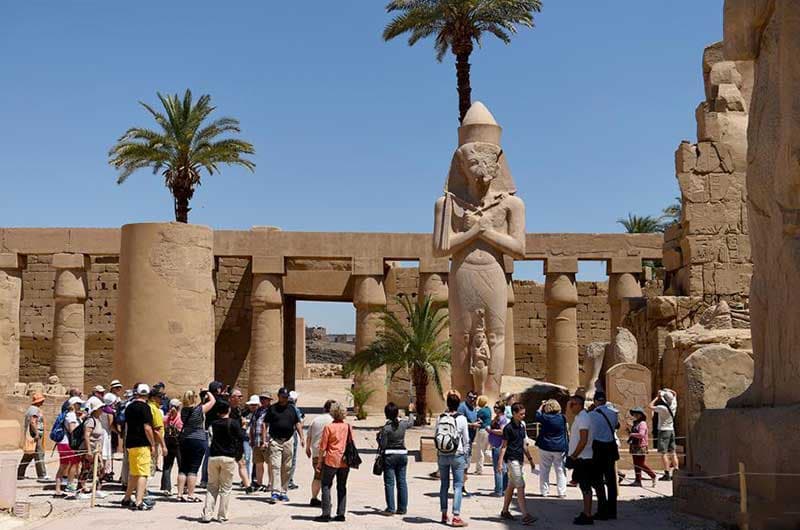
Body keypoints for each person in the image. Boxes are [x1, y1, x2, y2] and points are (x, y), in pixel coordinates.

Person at [201, 401, 244, 523]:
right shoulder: (233, 423)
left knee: (211, 487)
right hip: (228, 457)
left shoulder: (213, 424)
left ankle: (207, 514)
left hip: (214, 456)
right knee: (225, 488)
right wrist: (239, 455)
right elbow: (240, 438)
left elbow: (210, 439)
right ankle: (222, 515)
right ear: (228, 410)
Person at [497, 403, 537, 525]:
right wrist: (499, 462)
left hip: (519, 459)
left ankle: (505, 511)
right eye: (521, 414)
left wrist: (530, 459)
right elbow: (504, 446)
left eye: (524, 414)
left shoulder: (522, 426)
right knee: (520, 485)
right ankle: (525, 515)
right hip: (511, 459)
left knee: (511, 486)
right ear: (514, 414)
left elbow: (524, 444)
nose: (523, 416)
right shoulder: (508, 428)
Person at [436, 390, 470, 527]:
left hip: (442, 454)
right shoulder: (462, 419)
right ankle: (456, 516)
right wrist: (466, 457)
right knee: (458, 485)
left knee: (444, 485)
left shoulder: (440, 417)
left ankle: (444, 514)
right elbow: (466, 440)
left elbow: (436, 436)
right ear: (458, 404)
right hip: (457, 454)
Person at [314, 401, 351, 523]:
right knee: (342, 486)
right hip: (344, 460)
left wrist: (319, 462)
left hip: (331, 459)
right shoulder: (348, 427)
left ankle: (326, 513)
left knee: (326, 484)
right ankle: (341, 513)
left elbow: (323, 447)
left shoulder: (329, 427)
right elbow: (351, 443)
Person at [265, 387, 304, 502]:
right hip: (275, 440)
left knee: (287, 466)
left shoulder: (292, 409)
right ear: (278, 396)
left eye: (286, 397)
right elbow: (265, 424)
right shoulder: (272, 409)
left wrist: (302, 437)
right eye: (283, 397)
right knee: (275, 466)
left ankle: (283, 491)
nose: (285, 399)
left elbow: (297, 423)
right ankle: (275, 492)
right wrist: (264, 439)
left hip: (288, 440)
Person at [121, 384, 156, 511]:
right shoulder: (145, 407)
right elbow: (147, 427)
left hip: (131, 443)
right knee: (143, 473)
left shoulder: (129, 407)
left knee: (134, 473)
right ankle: (139, 501)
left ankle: (126, 498)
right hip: (142, 444)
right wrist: (152, 444)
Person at [178, 389, 216, 502]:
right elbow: (213, 401)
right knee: (193, 469)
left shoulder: (183, 410)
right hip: (198, 439)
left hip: (185, 439)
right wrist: (207, 392)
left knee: (183, 468)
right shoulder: (199, 410)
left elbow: (194, 408)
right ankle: (190, 494)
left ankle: (179, 494)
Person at [379, 402, 415, 516]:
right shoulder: (403, 425)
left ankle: (391, 508)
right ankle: (402, 508)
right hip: (402, 454)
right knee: (402, 482)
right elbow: (411, 422)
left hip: (390, 456)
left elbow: (383, 445)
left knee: (389, 483)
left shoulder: (386, 428)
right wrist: (410, 411)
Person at [566, 395, 596, 526]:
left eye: (572, 404)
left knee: (586, 486)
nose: (570, 407)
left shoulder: (583, 418)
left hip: (584, 458)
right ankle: (586, 512)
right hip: (581, 457)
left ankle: (588, 514)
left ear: (579, 405)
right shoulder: (580, 417)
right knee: (584, 486)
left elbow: (583, 440)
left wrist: (573, 456)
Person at [590, 392, 620, 520]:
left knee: (598, 480)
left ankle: (602, 510)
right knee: (611, 480)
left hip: (597, 447)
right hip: (610, 447)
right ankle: (612, 510)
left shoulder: (592, 415)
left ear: (595, 401)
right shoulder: (614, 413)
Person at [535, 398, 568, 498]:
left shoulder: (545, 417)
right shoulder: (562, 418)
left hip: (545, 446)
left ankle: (544, 491)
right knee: (560, 470)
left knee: (544, 470)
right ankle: (561, 492)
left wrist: (542, 405)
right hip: (559, 447)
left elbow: (537, 414)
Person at [77, 396, 108, 499]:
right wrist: (88, 451)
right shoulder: (90, 421)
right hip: (89, 449)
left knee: (99, 470)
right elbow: (86, 435)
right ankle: (80, 491)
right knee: (86, 470)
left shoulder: (97, 420)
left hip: (96, 450)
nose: (102, 410)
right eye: (100, 408)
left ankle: (97, 489)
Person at [305, 399, 334, 507]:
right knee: (328, 478)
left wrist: (308, 448)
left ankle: (314, 498)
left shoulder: (316, 419)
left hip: (316, 452)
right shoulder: (333, 421)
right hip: (329, 453)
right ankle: (326, 500)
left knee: (317, 476)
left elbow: (309, 435)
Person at [55, 396, 83, 498]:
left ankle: (58, 488)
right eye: (78, 404)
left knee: (63, 465)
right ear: (73, 405)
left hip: (62, 442)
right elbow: (72, 430)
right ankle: (70, 484)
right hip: (68, 443)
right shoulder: (71, 415)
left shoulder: (66, 414)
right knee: (74, 463)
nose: (80, 406)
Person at [18, 393, 49, 481]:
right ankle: (42, 474)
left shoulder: (30, 409)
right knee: (39, 454)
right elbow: (33, 422)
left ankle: (20, 473)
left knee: (29, 454)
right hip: (35, 434)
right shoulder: (35, 410)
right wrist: (36, 434)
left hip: (33, 433)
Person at [201, 381, 227, 486]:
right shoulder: (219, 401)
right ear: (218, 389)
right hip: (216, 430)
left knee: (207, 456)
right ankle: (213, 479)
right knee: (216, 455)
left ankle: (204, 479)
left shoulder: (207, 400)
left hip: (207, 428)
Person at [649, 389, 678, 481]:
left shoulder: (662, 408)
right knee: (673, 452)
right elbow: (675, 394)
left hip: (663, 430)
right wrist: (667, 391)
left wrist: (657, 398)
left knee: (663, 453)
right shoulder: (673, 404)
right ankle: (676, 472)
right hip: (671, 430)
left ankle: (667, 473)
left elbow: (650, 406)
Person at [228, 388, 252, 493]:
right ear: (232, 398)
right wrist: (242, 426)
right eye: (239, 396)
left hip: (237, 440)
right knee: (227, 464)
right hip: (228, 440)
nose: (241, 398)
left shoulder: (238, 409)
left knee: (241, 462)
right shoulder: (227, 409)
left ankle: (247, 486)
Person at [457, 390, 480, 496]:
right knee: (463, 464)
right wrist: (472, 425)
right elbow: (460, 421)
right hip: (463, 442)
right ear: (466, 397)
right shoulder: (462, 407)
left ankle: (461, 486)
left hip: (470, 440)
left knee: (467, 464)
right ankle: (460, 487)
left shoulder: (473, 408)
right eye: (470, 397)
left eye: (474, 398)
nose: (472, 399)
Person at [627, 407, 656, 487]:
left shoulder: (642, 423)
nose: (635, 415)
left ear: (641, 415)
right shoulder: (636, 423)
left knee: (640, 464)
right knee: (636, 464)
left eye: (637, 413)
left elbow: (641, 434)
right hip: (634, 445)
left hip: (640, 446)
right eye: (634, 413)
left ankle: (652, 475)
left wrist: (632, 434)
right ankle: (638, 480)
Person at [250, 392, 272, 492]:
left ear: (269, 400)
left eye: (265, 399)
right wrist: (251, 439)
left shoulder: (272, 411)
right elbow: (252, 425)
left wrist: (266, 441)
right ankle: (259, 483)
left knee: (270, 463)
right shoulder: (257, 411)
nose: (263, 400)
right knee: (258, 463)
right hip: (256, 441)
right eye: (262, 398)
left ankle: (271, 484)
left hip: (267, 441)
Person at [161, 398, 183, 495]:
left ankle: (166, 487)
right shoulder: (181, 418)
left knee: (167, 466)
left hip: (168, 442)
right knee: (181, 465)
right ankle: (183, 487)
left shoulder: (166, 418)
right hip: (178, 443)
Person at [488, 401, 509, 497]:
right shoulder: (497, 418)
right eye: (494, 407)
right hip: (495, 445)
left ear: (501, 408)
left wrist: (490, 431)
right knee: (503, 468)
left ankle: (498, 490)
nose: (495, 408)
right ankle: (504, 489)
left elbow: (502, 431)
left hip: (499, 445)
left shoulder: (502, 419)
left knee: (498, 468)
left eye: (497, 407)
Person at [148, 388, 167, 484]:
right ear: (153, 398)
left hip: (151, 440)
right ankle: (144, 491)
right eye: (159, 397)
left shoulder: (149, 407)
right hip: (154, 441)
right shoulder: (154, 409)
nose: (161, 399)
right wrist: (163, 445)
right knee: (150, 467)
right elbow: (157, 429)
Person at [287, 390, 304, 490]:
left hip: (281, 435)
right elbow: (298, 424)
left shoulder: (282, 408)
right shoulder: (295, 410)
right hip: (292, 435)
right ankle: (289, 480)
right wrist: (302, 437)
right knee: (292, 458)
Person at [473, 395, 492, 475]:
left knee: (480, 450)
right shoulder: (489, 410)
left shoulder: (481, 411)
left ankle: (479, 469)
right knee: (486, 450)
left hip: (482, 430)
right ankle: (496, 459)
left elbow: (476, 419)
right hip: (488, 430)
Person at [100, 393, 117, 479]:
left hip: (101, 431)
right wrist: (118, 431)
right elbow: (110, 425)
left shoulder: (101, 408)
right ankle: (103, 473)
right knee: (105, 453)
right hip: (106, 433)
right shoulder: (109, 411)